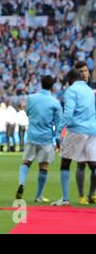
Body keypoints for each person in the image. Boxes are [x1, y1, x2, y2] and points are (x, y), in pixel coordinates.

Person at [52, 69, 96, 206]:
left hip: (77, 129)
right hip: (92, 130)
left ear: (70, 80)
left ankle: (65, 199)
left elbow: (69, 113)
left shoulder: (71, 90)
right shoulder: (90, 90)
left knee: (65, 162)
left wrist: (59, 129)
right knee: (93, 164)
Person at [15, 75, 62, 203]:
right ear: (52, 87)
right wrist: (58, 142)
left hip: (32, 135)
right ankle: (38, 195)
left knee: (26, 162)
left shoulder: (31, 98)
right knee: (43, 166)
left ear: (41, 84)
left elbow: (28, 113)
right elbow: (58, 125)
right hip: (46, 138)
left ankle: (22, 182)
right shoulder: (55, 102)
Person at [73, 61, 96, 205]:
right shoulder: (74, 90)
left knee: (94, 164)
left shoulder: (94, 87)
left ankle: (92, 194)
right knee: (81, 163)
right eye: (80, 71)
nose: (83, 73)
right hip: (80, 130)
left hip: (93, 131)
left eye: (85, 70)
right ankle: (81, 195)